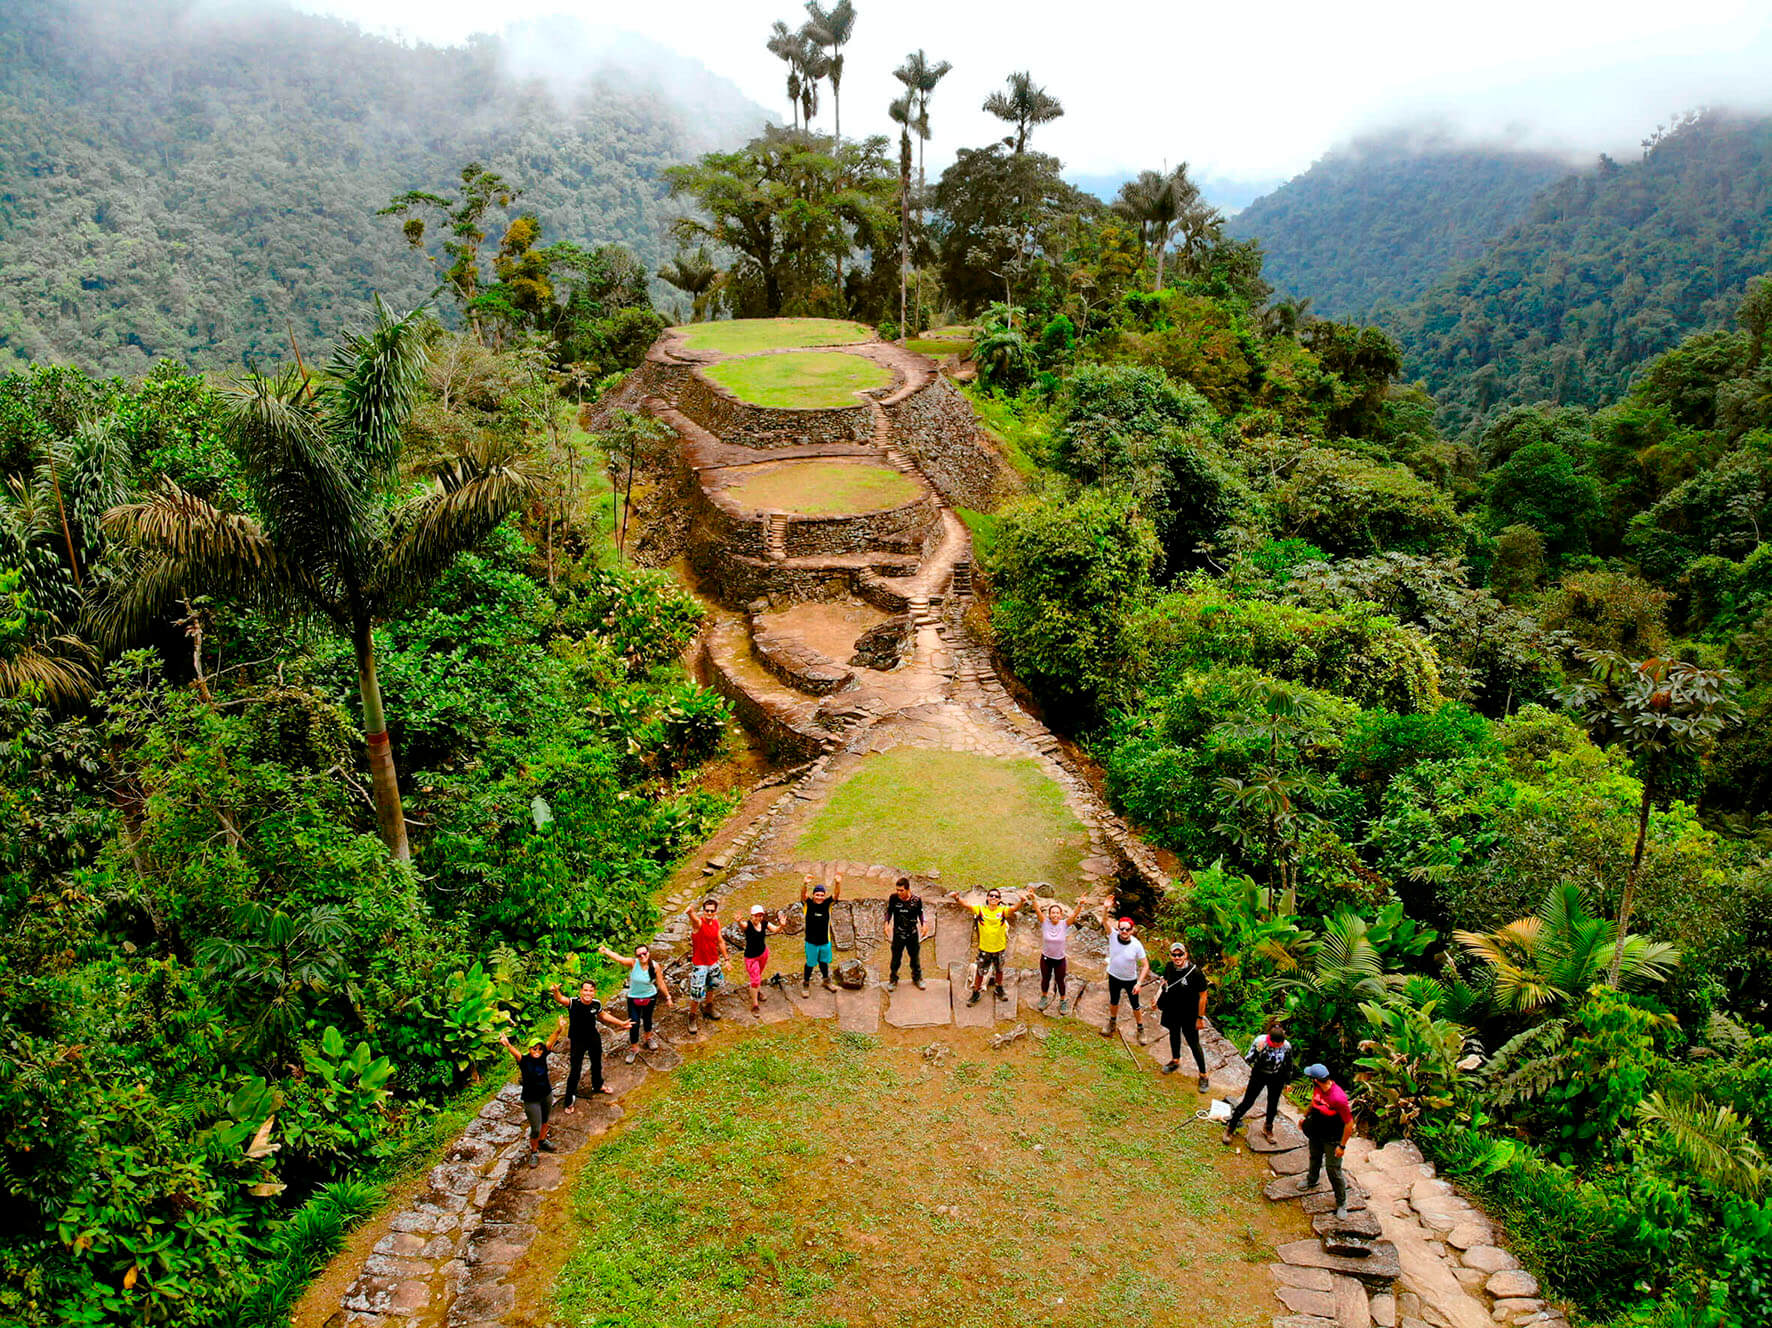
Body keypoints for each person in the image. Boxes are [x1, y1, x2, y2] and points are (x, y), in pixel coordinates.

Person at [548, 978, 631, 1112]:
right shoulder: (573, 1002)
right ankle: (569, 1100)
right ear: (581, 991)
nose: (588, 993)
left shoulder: (596, 1004)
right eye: (585, 990)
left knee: (597, 1063)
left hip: (593, 1037)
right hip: (577, 1040)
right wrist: (556, 992)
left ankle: (598, 1085)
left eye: (590, 991)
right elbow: (560, 999)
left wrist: (621, 1023)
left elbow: (603, 1016)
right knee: (575, 1070)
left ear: (594, 992)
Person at [1294, 1062, 1356, 1221]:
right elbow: (1314, 1104)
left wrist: (1342, 1146)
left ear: (1316, 1079)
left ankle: (1341, 1202)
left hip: (1332, 1137)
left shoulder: (1338, 1098)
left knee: (1333, 1169)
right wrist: (1305, 1117)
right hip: (1316, 1131)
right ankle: (1311, 1180)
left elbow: (1349, 1123)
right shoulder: (1318, 1088)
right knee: (1314, 1156)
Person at [499, 1018, 565, 1167]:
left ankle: (543, 1140)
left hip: (546, 1094)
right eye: (534, 1048)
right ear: (529, 1049)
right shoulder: (524, 1060)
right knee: (535, 1127)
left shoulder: (543, 1057)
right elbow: (516, 1053)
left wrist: (559, 1029)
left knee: (545, 1120)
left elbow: (550, 1041)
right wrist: (507, 1044)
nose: (537, 1051)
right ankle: (534, 1151)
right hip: (531, 1099)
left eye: (539, 1049)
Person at [598, 941, 674, 1064]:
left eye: (644, 953)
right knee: (634, 1023)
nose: (643, 956)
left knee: (648, 1019)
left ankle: (648, 1038)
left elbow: (660, 983)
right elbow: (620, 959)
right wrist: (606, 951)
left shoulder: (655, 966)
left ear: (648, 953)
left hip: (650, 997)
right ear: (636, 957)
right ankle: (634, 1048)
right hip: (634, 998)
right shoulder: (633, 963)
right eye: (639, 955)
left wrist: (668, 997)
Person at [1221, 1017, 1294, 1144]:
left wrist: (1288, 1082)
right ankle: (1231, 1127)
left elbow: (1288, 1064)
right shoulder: (1260, 1042)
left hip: (1277, 1077)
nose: (1277, 1046)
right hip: (1260, 1074)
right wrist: (1260, 1052)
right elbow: (1248, 1059)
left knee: (1273, 1104)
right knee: (1248, 1102)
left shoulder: (1286, 1046)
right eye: (1275, 1044)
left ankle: (1268, 1128)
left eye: (1279, 1044)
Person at [1154, 939, 1212, 1091]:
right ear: (1171, 955)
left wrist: (1200, 1018)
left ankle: (1203, 1075)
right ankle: (1175, 1060)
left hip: (1189, 1014)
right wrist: (1157, 997)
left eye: (1180, 955)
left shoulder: (1195, 972)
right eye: (1174, 955)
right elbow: (1165, 983)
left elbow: (1203, 996)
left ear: (1186, 955)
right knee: (1174, 1034)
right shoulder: (1169, 967)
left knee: (1193, 1043)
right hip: (1172, 1010)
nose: (1177, 958)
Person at [1099, 905, 1152, 1043]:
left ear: (1132, 930)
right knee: (1114, 1001)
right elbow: (1104, 921)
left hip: (1130, 980)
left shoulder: (1136, 945)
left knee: (1135, 1005)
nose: (1124, 931)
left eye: (1127, 929)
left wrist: (1139, 983)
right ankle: (1112, 1022)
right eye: (1121, 928)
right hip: (1114, 976)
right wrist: (1105, 908)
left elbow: (1146, 965)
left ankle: (1140, 1029)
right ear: (1118, 928)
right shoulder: (1113, 936)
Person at [1036, 892, 1089, 1014]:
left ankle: (1063, 1000)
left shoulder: (1064, 924)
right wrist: (1033, 899)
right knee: (1045, 978)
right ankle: (1044, 997)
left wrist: (1080, 905)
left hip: (1059, 959)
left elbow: (1075, 914)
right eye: (1052, 912)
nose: (1055, 915)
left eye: (1057, 913)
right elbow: (1037, 910)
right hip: (1046, 958)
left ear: (1061, 915)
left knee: (1060, 980)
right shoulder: (1044, 923)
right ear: (1049, 915)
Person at [684, 898, 727, 1034]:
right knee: (697, 994)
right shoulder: (698, 924)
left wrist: (726, 958)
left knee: (712, 986)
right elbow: (695, 920)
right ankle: (692, 1016)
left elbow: (720, 941)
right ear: (703, 911)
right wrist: (690, 913)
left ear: (715, 912)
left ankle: (709, 1007)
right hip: (700, 965)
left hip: (713, 961)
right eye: (706, 910)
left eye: (711, 911)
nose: (709, 913)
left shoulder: (716, 923)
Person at [881, 876, 929, 990]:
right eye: (897, 890)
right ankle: (893, 979)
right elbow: (889, 912)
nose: (899, 893)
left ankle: (917, 978)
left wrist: (924, 924)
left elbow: (920, 914)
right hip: (898, 933)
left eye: (901, 890)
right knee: (895, 959)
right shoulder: (893, 898)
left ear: (908, 889)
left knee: (915, 958)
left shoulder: (916, 900)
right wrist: (886, 924)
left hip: (912, 933)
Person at [800, 873, 842, 995]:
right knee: (810, 964)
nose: (819, 897)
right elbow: (803, 895)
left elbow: (836, 895)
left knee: (824, 962)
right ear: (813, 895)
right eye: (817, 895)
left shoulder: (827, 904)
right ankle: (806, 984)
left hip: (825, 941)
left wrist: (838, 883)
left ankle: (826, 981)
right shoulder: (808, 904)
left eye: (822, 895)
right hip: (811, 942)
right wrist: (805, 884)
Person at [741, 904, 784, 1012]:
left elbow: (775, 930)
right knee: (755, 980)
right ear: (751, 916)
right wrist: (738, 921)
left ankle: (757, 991)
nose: (758, 918)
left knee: (758, 976)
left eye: (760, 915)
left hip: (763, 953)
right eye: (756, 915)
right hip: (751, 958)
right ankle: (755, 1005)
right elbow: (742, 925)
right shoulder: (748, 925)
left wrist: (782, 926)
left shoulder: (764, 923)